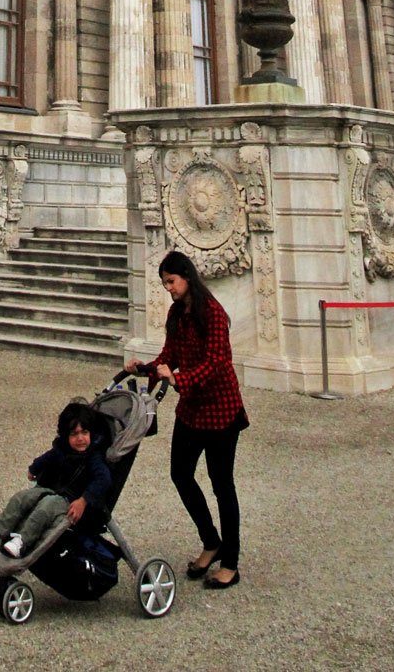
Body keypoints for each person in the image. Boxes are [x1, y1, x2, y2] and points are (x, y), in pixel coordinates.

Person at [125, 250, 247, 590]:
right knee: (180, 473)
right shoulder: (177, 314)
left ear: (187, 277)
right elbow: (170, 356)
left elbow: (218, 363)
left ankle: (231, 562)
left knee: (223, 485)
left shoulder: (213, 314)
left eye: (171, 281)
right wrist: (146, 368)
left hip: (221, 410)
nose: (168, 288)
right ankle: (211, 540)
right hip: (192, 409)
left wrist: (179, 380)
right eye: (164, 283)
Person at [0, 398, 111, 558]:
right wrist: (34, 468)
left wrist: (83, 501)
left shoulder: (93, 458)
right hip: (53, 490)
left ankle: (22, 542)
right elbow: (48, 457)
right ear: (66, 436)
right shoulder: (62, 449)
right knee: (22, 497)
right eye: (74, 434)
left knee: (45, 508)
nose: (80, 438)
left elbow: (103, 479)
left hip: (71, 501)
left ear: (91, 433)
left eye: (84, 433)